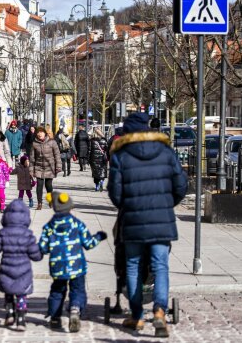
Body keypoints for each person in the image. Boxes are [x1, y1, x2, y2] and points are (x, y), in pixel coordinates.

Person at [107, 112, 187, 338]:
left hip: (132, 221)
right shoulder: (166, 152)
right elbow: (181, 185)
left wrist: (128, 206)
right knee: (160, 266)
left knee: (132, 266)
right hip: (161, 221)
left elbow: (115, 194)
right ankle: (160, 311)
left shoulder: (120, 156)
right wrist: (166, 203)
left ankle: (137, 315)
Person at [38, 191, 107, 333]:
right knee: (78, 289)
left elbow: (43, 248)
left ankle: (55, 317)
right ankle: (75, 309)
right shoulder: (77, 224)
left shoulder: (49, 227)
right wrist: (99, 236)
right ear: (70, 207)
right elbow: (88, 243)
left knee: (57, 291)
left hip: (58, 267)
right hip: (77, 266)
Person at [0, 200, 43, 330]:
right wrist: (39, 254)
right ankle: (21, 319)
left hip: (6, 268)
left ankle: (10, 313)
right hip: (24, 270)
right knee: (21, 294)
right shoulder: (28, 235)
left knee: (8, 291)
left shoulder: (2, 234)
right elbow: (35, 254)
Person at [29, 127, 61, 210]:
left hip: (49, 167)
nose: (39, 134)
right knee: (39, 185)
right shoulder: (34, 144)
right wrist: (31, 170)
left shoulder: (52, 142)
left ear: (45, 133)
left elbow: (57, 155)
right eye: (38, 132)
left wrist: (58, 166)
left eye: (41, 132)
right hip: (38, 167)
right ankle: (39, 203)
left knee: (48, 185)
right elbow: (32, 158)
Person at [89, 127, 108, 192]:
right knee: (102, 171)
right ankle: (101, 182)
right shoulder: (104, 140)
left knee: (95, 173)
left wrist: (88, 159)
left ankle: (97, 186)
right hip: (103, 159)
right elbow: (107, 150)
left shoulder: (91, 140)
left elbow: (89, 150)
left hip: (93, 159)